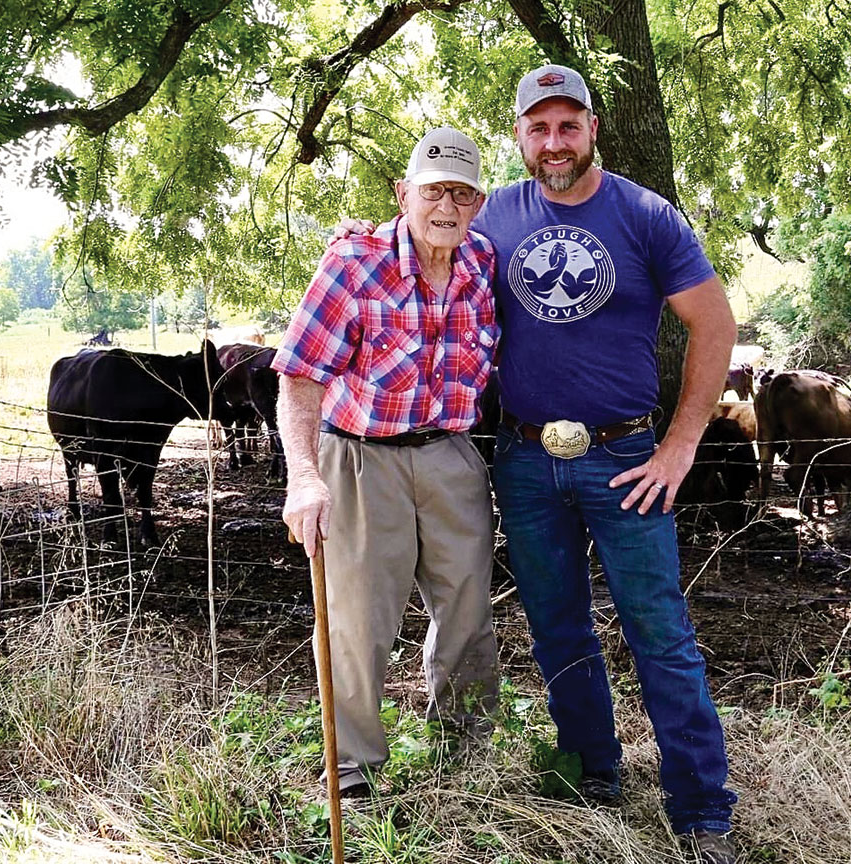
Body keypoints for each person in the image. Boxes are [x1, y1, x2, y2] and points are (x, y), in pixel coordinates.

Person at [336, 65, 739, 862]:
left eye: (569, 125)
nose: (554, 143)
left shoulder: (648, 215)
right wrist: (359, 240)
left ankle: (700, 808)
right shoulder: (491, 220)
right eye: (538, 128)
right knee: (557, 630)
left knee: (659, 632)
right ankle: (593, 771)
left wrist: (681, 444)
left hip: (626, 457)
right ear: (519, 136)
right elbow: (416, 251)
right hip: (522, 457)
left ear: (593, 129)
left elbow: (715, 324)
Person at [275, 126, 501, 797]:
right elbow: (299, 377)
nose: (446, 207)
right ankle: (352, 772)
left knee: (468, 611)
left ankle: (465, 755)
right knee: (359, 623)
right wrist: (304, 475)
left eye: (462, 194)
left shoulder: (482, 261)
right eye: (433, 191)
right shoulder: (354, 263)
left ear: (478, 203)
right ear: (404, 194)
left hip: (452, 456)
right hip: (361, 459)